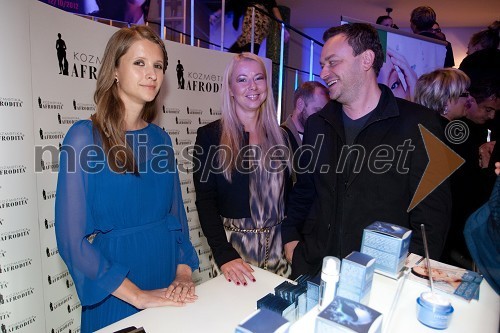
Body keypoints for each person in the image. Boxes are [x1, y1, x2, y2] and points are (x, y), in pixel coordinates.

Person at [55, 25, 199, 333]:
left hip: (165, 278)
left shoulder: (160, 139)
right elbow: (71, 242)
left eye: (158, 66)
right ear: (115, 70)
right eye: (140, 63)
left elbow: (177, 219)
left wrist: (184, 273)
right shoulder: (83, 137)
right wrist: (138, 296)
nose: (152, 74)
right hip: (115, 288)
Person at [281, 23, 451, 278]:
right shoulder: (318, 124)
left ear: (366, 59)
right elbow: (305, 190)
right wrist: (291, 239)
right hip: (315, 269)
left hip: (381, 281)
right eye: (322, 65)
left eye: (332, 62)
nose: (323, 72)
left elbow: (431, 219)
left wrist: (408, 275)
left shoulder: (420, 124)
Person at [193, 52, 291, 286]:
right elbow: (205, 202)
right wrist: (224, 255)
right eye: (242, 79)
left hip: (281, 256)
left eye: (259, 78)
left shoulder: (282, 137)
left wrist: (293, 241)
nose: (252, 86)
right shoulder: (210, 137)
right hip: (236, 257)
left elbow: (293, 197)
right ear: (230, 89)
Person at [209, 0, 289, 55]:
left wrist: (283, 28)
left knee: (250, 43)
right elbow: (232, 3)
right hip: (253, 19)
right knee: (245, 43)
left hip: (257, 17)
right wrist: (217, 14)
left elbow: (274, 8)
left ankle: (248, 62)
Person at [281, 81, 329, 153]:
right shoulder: (279, 137)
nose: (323, 118)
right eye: (318, 111)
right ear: (300, 104)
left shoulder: (322, 138)